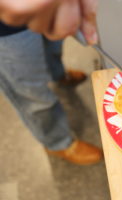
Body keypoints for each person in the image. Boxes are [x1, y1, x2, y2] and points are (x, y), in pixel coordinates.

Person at [0, 0, 102, 165]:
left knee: (53, 48)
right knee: (33, 93)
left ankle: (58, 75)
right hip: (6, 31)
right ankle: (57, 143)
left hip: (51, 6)